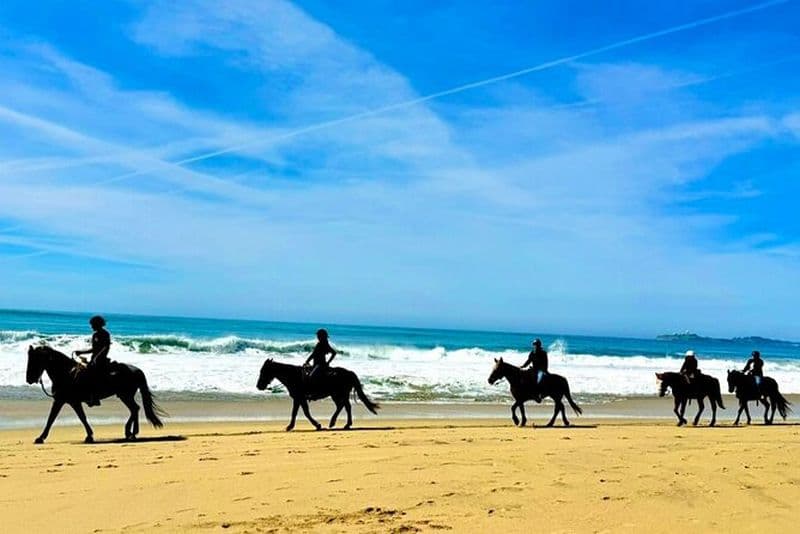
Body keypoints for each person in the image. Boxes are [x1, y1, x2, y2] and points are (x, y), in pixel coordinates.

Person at [72, 315, 111, 407]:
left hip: (101, 360)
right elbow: (94, 349)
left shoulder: (105, 334)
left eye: (93, 324)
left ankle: (94, 398)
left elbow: (106, 347)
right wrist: (81, 352)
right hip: (94, 360)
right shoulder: (95, 335)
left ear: (98, 324)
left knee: (91, 376)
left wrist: (97, 358)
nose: (91, 326)